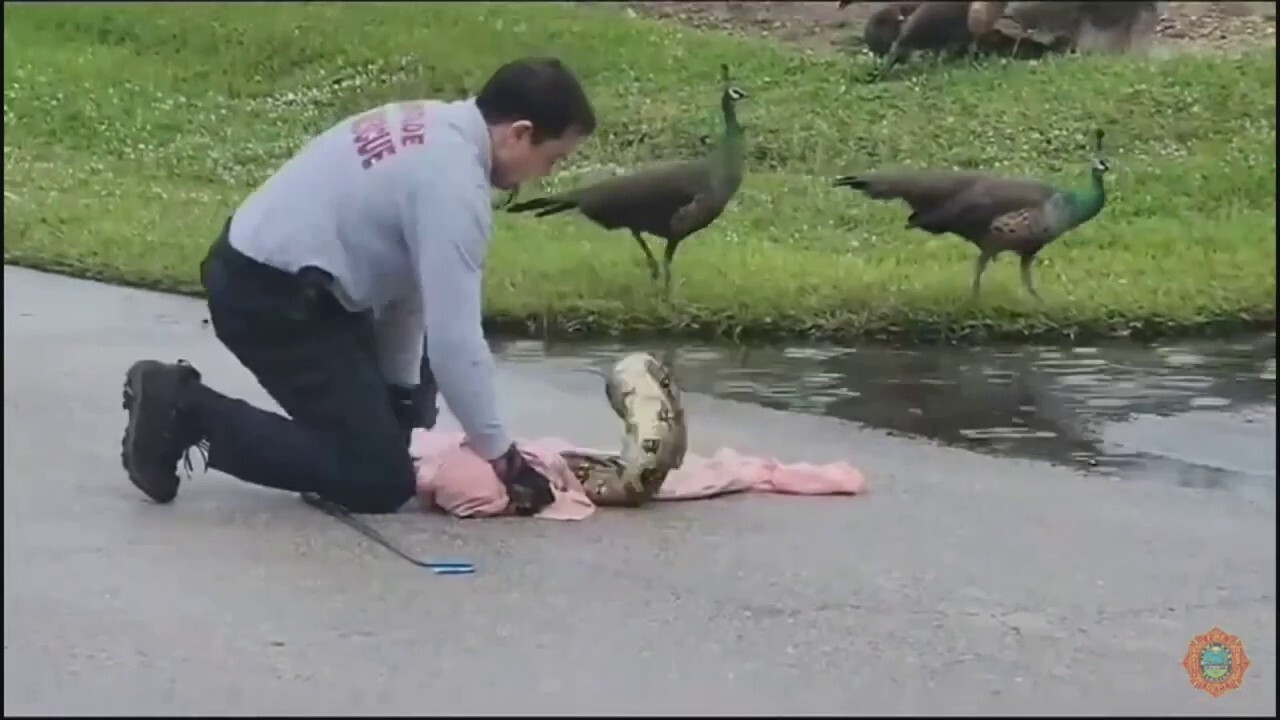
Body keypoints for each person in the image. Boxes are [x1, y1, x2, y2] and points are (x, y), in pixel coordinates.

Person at [119, 56, 597, 516]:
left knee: (405, 413)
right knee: (377, 478)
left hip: (289, 281)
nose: (546, 175)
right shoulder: (454, 187)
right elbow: (456, 340)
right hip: (270, 299)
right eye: (552, 159)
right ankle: (183, 407)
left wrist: (398, 393)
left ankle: (332, 450)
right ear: (520, 135)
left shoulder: (434, 124)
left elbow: (408, 292)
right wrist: (503, 457)